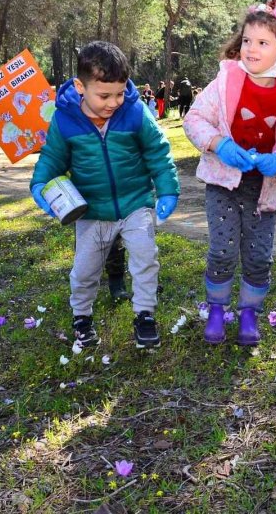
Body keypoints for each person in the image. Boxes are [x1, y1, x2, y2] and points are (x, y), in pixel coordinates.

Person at [183, 0, 276, 346]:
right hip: (223, 183)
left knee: (258, 255)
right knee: (223, 250)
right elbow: (194, 118)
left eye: (262, 43)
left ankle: (248, 314)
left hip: (264, 190)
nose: (251, 49)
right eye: (246, 40)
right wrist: (219, 144)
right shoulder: (225, 84)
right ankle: (216, 309)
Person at [30, 41, 180, 349]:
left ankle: (145, 315)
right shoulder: (64, 120)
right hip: (92, 211)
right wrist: (39, 187)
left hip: (136, 203)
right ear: (80, 87)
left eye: (120, 92)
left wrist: (167, 188)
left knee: (144, 258)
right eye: (104, 95)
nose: (113, 102)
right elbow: (51, 160)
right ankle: (82, 318)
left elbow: (157, 152)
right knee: (85, 269)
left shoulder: (135, 112)